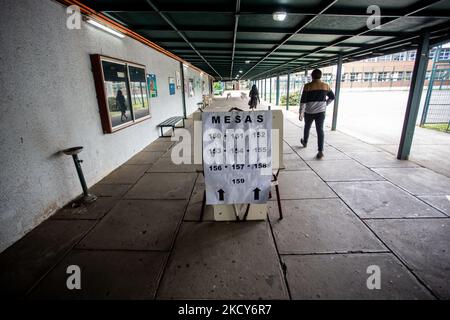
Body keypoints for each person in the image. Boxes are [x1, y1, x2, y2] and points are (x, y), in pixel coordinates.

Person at [299, 69, 335, 159]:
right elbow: (332, 97)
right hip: (321, 112)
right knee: (320, 130)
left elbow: (303, 101)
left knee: (307, 127)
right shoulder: (326, 86)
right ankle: (320, 151)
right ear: (320, 76)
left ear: (312, 76)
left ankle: (305, 142)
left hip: (309, 112)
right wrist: (325, 104)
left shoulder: (307, 86)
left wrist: (301, 112)